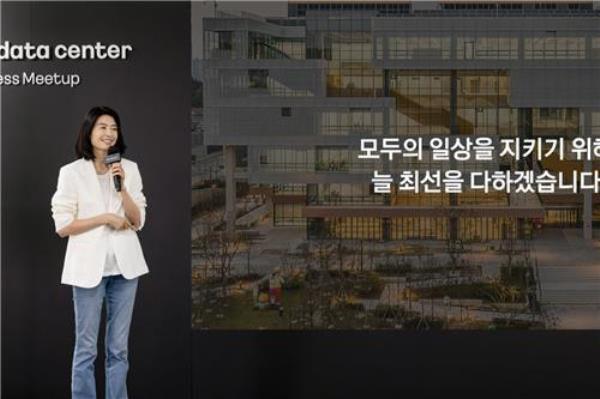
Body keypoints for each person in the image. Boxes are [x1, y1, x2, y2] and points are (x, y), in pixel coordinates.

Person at [51, 106, 149, 399]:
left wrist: (122, 192)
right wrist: (105, 218)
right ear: (89, 131)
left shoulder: (128, 169)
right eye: (103, 127)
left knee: (118, 349)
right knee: (85, 349)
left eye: (114, 128)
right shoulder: (71, 173)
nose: (109, 133)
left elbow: (137, 220)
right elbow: (63, 225)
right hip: (87, 270)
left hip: (125, 269)